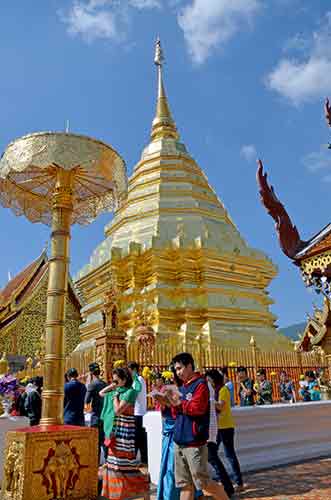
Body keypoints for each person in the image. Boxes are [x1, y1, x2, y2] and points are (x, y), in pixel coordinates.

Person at [170, 352, 228, 500]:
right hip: (180, 440)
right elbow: (178, 413)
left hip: (194, 442)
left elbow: (197, 408)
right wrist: (167, 402)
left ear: (189, 366)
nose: (178, 372)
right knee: (185, 485)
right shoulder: (182, 387)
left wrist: (179, 403)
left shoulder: (200, 385)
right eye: (175, 370)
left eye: (180, 368)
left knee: (203, 483)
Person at [100, 367, 150, 500]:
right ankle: (117, 495)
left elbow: (117, 410)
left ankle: (143, 489)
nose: (114, 383)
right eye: (113, 380)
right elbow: (101, 393)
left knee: (125, 463)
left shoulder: (129, 392)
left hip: (125, 431)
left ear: (125, 379)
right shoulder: (118, 390)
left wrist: (115, 396)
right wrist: (113, 386)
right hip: (115, 432)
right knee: (113, 464)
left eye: (116, 380)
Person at [205, 370, 235, 499]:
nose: (207, 382)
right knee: (213, 457)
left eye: (208, 379)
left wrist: (210, 401)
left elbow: (220, 407)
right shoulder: (213, 390)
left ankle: (228, 485)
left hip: (219, 428)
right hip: (215, 428)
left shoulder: (220, 390)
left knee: (222, 456)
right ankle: (226, 485)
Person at [216, 371, 244, 493]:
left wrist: (209, 401)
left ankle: (238, 482)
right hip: (218, 426)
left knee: (229, 454)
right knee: (212, 454)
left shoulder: (224, 390)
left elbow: (221, 406)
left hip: (225, 426)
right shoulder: (218, 390)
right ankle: (224, 478)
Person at [85, 362, 107, 461]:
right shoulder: (104, 384)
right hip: (105, 416)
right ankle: (107, 461)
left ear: (91, 373)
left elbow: (87, 400)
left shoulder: (92, 385)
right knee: (104, 441)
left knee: (96, 442)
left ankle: (96, 463)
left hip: (96, 417)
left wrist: (88, 385)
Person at [127, 361, 148, 465]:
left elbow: (133, 395)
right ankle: (139, 458)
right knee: (138, 437)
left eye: (130, 371)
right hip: (138, 412)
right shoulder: (138, 380)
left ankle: (141, 458)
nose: (129, 373)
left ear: (134, 370)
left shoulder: (138, 380)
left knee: (138, 437)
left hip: (138, 412)